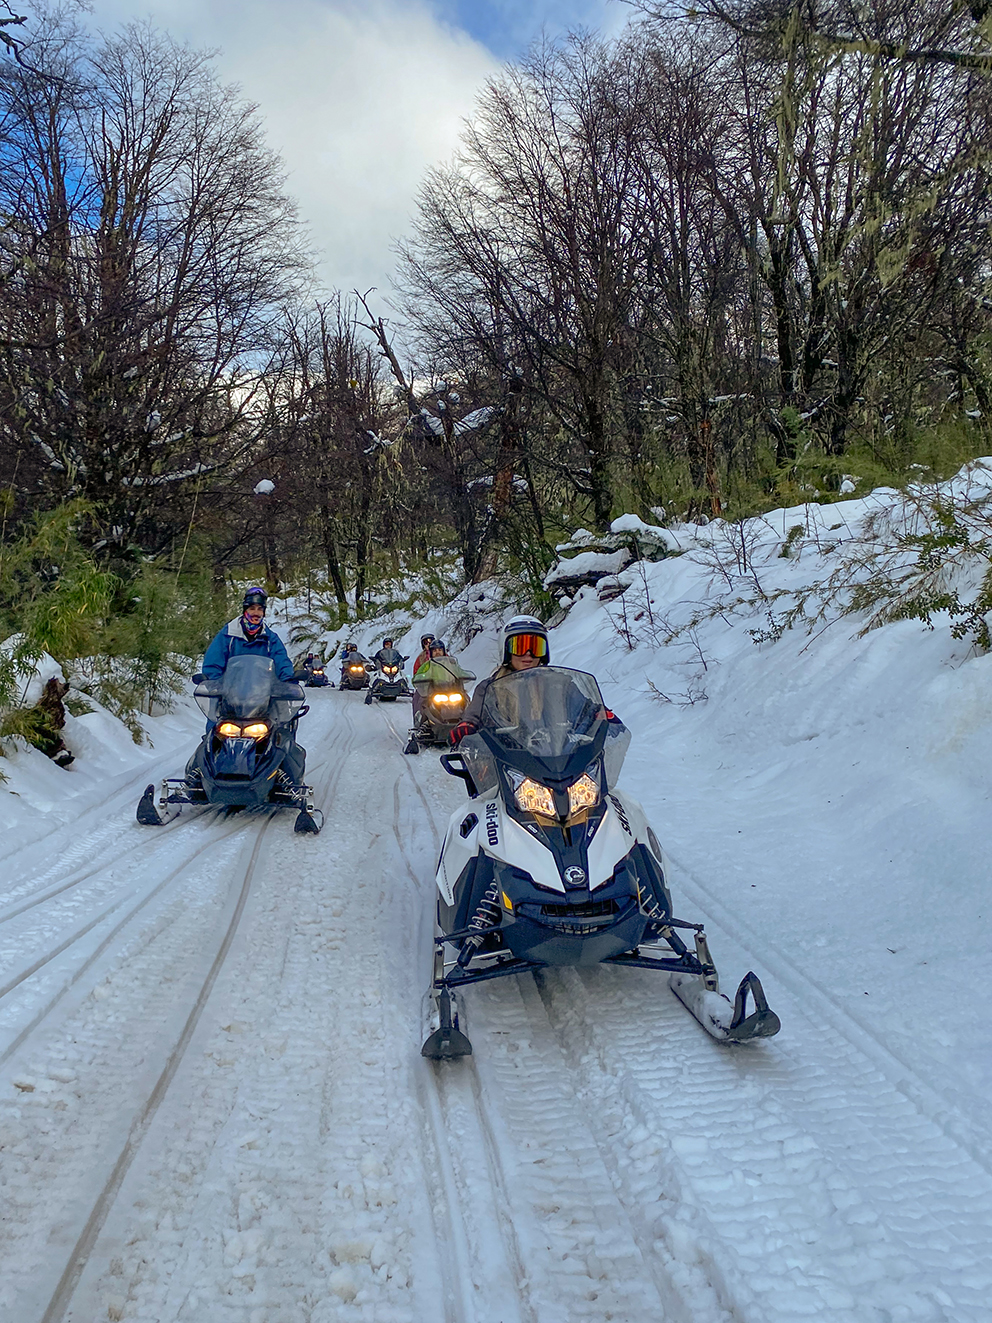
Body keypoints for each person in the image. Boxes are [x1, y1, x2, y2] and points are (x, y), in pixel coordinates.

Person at [449, 616, 549, 746]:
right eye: (520, 647)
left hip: (555, 759)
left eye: (535, 647)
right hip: (507, 757)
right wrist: (466, 726)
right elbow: (474, 715)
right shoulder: (489, 688)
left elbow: (581, 710)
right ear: (506, 650)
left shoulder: (558, 685)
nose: (528, 654)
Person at [202, 587, 295, 681]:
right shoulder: (228, 635)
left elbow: (282, 663)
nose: (256, 613)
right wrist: (214, 685)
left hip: (263, 692)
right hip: (231, 692)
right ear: (245, 610)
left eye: (260, 609)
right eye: (252, 608)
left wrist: (288, 681)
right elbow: (213, 665)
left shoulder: (270, 639)